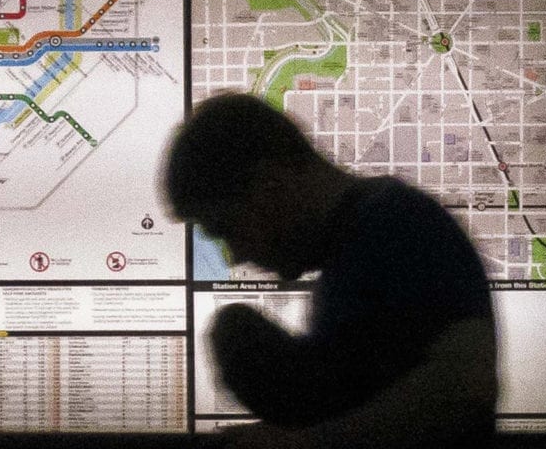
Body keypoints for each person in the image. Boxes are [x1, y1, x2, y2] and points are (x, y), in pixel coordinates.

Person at [164, 93, 498, 448]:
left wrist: (303, 444)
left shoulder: (398, 223)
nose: (236, 255)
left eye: (227, 229)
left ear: (269, 184)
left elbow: (466, 386)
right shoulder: (353, 246)